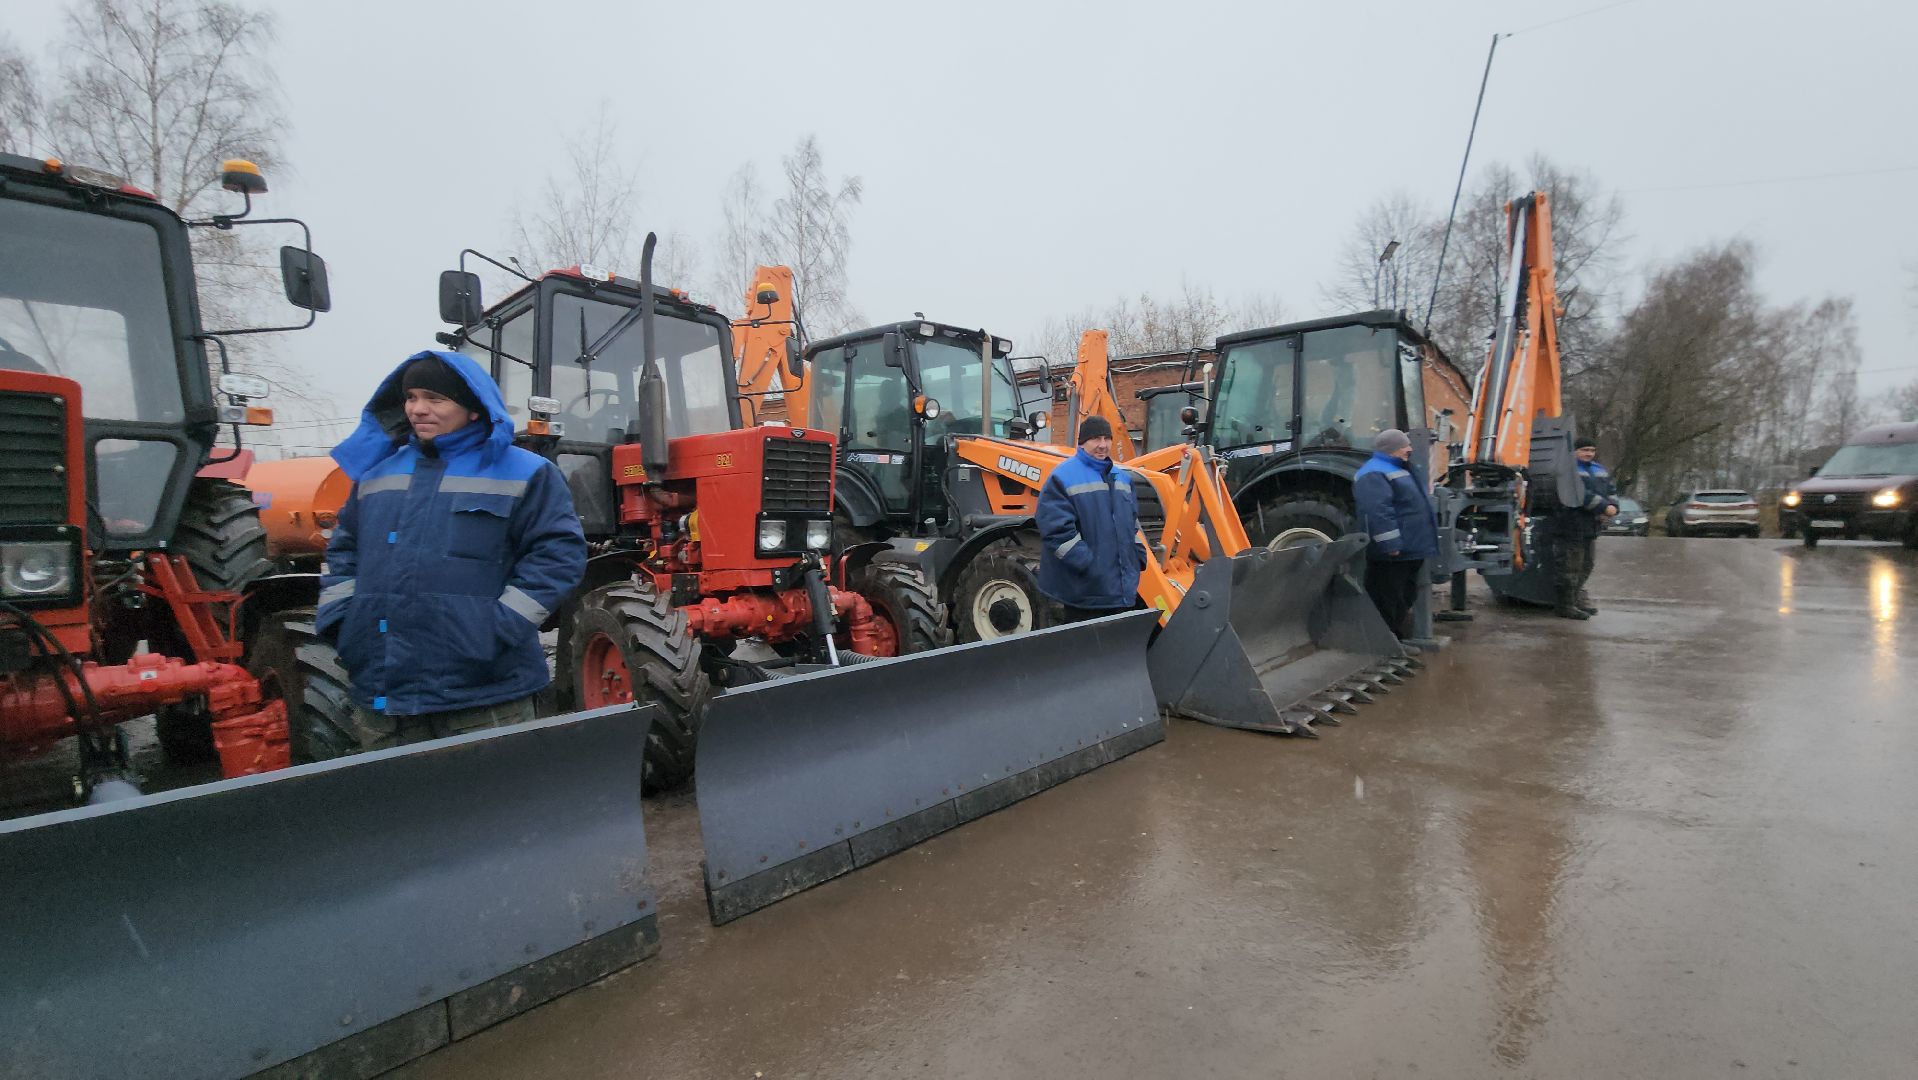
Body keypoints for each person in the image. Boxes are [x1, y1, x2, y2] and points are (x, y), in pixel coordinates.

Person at [310, 350, 586, 758]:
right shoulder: (376, 473)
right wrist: (342, 623)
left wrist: (495, 630)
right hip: (385, 694)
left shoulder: (525, 471)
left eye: (435, 399)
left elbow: (557, 558)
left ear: (474, 409)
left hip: (485, 693)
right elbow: (344, 552)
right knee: (406, 816)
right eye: (411, 397)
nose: (418, 409)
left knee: (495, 813)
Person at [1037, 415, 1145, 622]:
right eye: (1096, 439)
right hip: (1084, 590)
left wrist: (1137, 556)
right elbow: (1055, 530)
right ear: (1083, 442)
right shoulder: (1063, 477)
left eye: (1107, 439)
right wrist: (1088, 565)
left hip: (1118, 588)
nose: (1102, 445)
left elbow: (1131, 524)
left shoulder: (1123, 478)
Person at [1353, 428, 1439, 639]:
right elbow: (1378, 512)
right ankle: (1381, 641)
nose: (1410, 448)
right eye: (1405, 445)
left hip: (1410, 548)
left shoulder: (1401, 467)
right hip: (1393, 554)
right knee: (1387, 596)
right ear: (1392, 448)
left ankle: (1392, 638)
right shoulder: (1374, 472)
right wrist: (1390, 545)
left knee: (1404, 595)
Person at [1540, 436, 1617, 619]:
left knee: (1586, 564)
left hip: (1590, 526)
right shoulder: (1567, 470)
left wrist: (1613, 507)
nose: (1589, 454)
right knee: (1569, 566)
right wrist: (1604, 507)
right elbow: (1579, 493)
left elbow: (1611, 490)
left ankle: (1574, 600)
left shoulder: (1600, 470)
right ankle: (1564, 605)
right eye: (1584, 450)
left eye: (1591, 450)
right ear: (1574, 451)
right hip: (1569, 524)